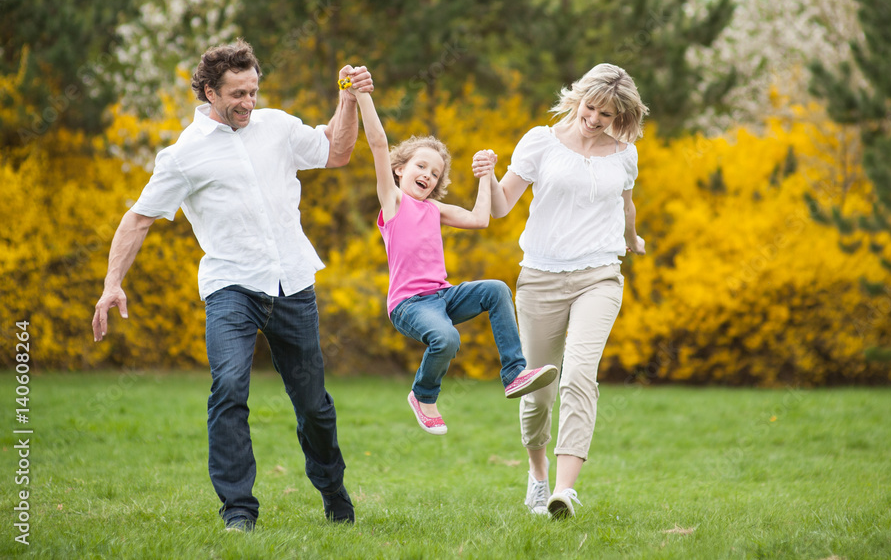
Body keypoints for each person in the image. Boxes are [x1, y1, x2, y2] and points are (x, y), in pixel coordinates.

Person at [91, 39, 371, 533]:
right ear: (208, 92)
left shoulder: (278, 127)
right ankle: (238, 510)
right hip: (231, 288)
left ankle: (333, 490)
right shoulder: (182, 156)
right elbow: (137, 220)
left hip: (292, 282)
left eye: (253, 91)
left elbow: (338, 150)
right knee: (229, 388)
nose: (248, 102)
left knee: (313, 403)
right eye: (237, 93)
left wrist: (347, 100)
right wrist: (112, 283)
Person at [487, 63, 648, 518]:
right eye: (591, 107)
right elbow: (502, 207)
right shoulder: (540, 141)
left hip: (599, 274)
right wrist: (488, 176)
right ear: (577, 98)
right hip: (539, 278)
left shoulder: (625, 153)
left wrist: (632, 240)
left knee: (580, 374)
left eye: (606, 113)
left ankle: (564, 490)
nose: (594, 118)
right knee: (539, 391)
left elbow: (626, 204)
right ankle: (538, 476)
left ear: (621, 115)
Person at [351, 87, 557, 436]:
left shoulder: (435, 209)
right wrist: (362, 95)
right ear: (399, 170)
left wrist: (485, 176)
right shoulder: (393, 200)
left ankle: (513, 374)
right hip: (409, 304)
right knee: (446, 339)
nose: (428, 175)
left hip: (442, 298)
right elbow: (377, 142)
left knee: (495, 289)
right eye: (421, 166)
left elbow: (480, 219)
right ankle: (423, 395)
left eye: (435, 173)